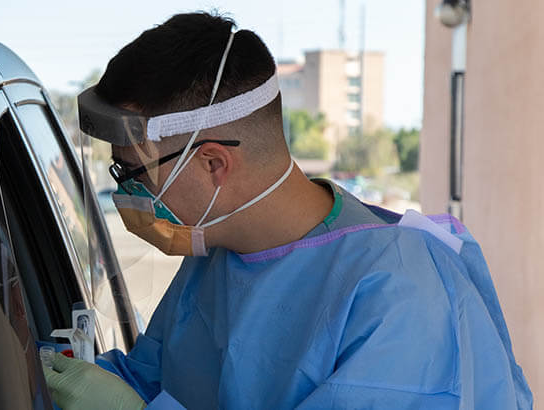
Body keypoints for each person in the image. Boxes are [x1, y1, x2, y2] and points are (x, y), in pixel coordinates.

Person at [41, 11, 533, 410]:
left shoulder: (400, 294)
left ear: (213, 163)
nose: (126, 195)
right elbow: (148, 379)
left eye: (133, 175)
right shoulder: (214, 258)